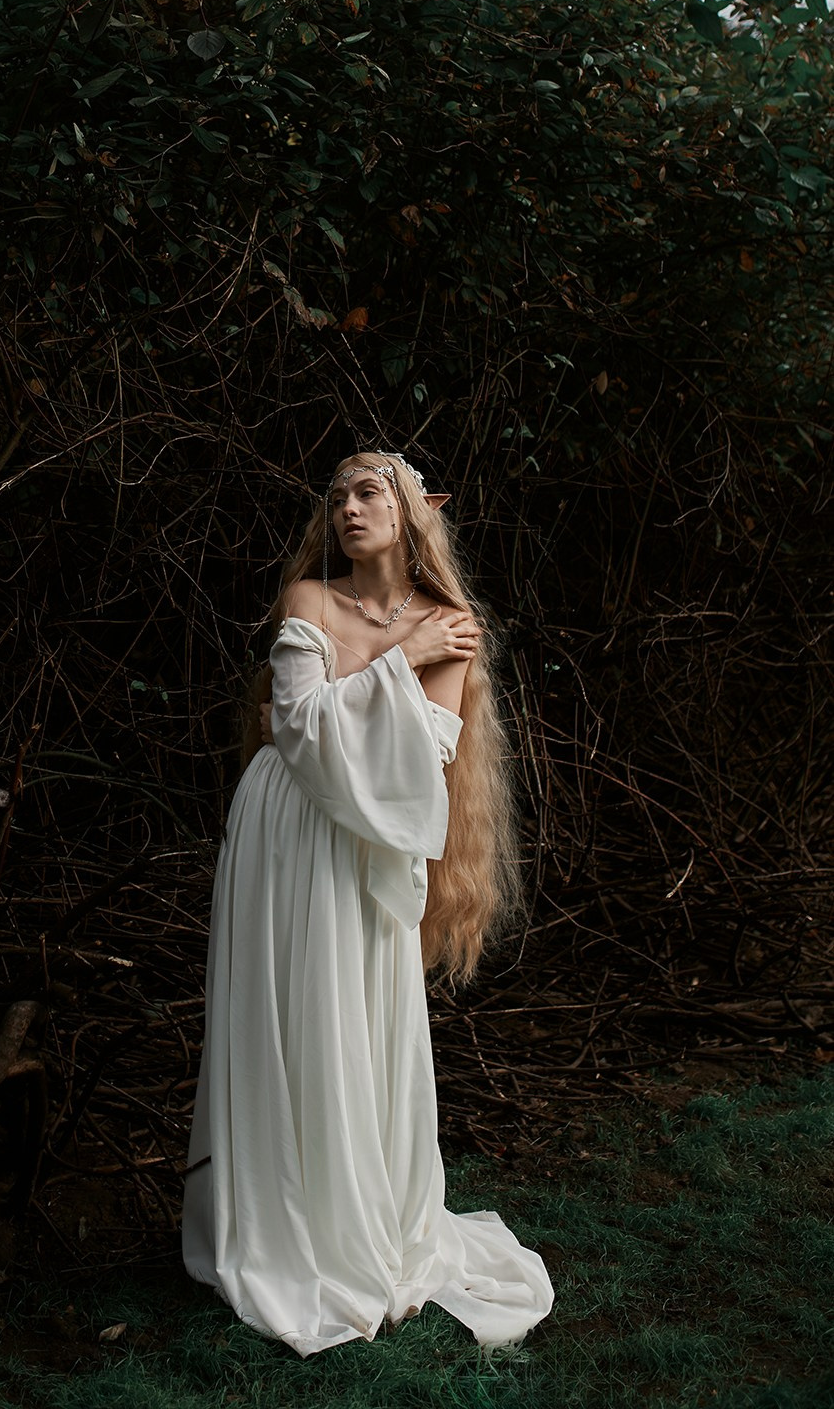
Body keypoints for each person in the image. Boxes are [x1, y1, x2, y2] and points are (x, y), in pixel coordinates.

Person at [181, 449, 554, 1356]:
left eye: (367, 491)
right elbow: (295, 727)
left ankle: (360, 1222)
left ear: (411, 511)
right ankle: (281, 1225)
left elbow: (424, 754)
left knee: (351, 1015)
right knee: (283, 1012)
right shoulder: (308, 599)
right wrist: (399, 661)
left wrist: (389, 669)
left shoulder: (449, 625)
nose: (347, 508)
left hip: (371, 842)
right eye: (336, 496)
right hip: (282, 831)